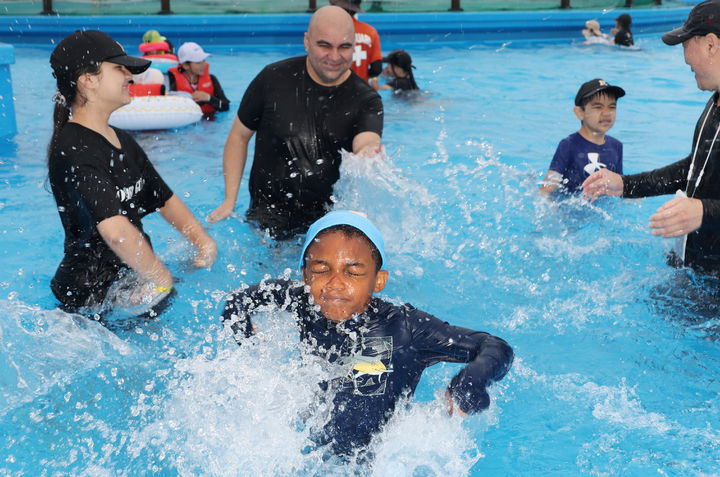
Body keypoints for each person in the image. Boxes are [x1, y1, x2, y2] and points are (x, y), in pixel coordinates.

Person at [221, 210, 513, 456]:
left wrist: (472, 379)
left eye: (354, 272)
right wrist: (244, 335)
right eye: (321, 269)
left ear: (378, 280)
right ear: (305, 275)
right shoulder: (301, 299)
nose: (335, 283)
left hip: (376, 461)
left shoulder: (405, 327)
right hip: (312, 447)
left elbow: (494, 346)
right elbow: (237, 301)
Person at [48, 30, 217, 314]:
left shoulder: (121, 140)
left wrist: (203, 242)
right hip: (88, 299)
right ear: (87, 81)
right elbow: (115, 232)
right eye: (119, 69)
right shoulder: (75, 149)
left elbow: (163, 199)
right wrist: (161, 278)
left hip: (129, 281)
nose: (130, 76)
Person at [208, 6, 383, 239]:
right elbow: (239, 136)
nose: (334, 56)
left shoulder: (366, 99)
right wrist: (229, 201)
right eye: (324, 45)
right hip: (265, 220)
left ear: (354, 46)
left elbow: (367, 138)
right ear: (306, 42)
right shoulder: (272, 79)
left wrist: (367, 151)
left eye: (344, 47)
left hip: (326, 226)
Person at [583, 0, 720, 275]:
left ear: (710, 44)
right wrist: (626, 185)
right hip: (697, 267)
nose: (685, 59)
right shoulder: (714, 103)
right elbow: (696, 169)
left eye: (685, 45)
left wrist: (705, 211)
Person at [540, 79, 625, 195]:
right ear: (580, 113)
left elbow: (620, 185)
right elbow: (547, 189)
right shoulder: (568, 145)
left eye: (612, 107)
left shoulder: (616, 146)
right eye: (598, 107)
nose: (606, 113)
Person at [330, 0, 383, 85]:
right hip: (362, 89)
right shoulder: (370, 31)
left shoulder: (330, 31)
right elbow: (376, 68)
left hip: (337, 89)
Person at [167, 42, 230, 115]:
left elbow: (226, 106)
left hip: (209, 118)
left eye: (203, 60)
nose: (203, 65)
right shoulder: (173, 80)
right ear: (185, 65)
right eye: (198, 62)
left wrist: (208, 98)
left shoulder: (212, 79)